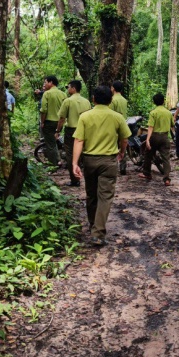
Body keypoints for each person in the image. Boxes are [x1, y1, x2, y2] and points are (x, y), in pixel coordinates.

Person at [72, 86, 130, 246]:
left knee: (91, 195)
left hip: (89, 160)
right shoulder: (117, 117)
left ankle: (93, 226)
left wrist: (74, 163)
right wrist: (121, 152)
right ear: (111, 100)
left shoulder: (85, 117)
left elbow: (79, 140)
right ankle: (98, 232)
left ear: (93, 99)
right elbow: (125, 138)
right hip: (108, 161)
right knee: (105, 197)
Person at [56, 80, 91, 187]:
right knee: (85, 153)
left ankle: (75, 179)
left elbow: (62, 118)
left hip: (71, 130)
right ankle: (89, 177)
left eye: (69, 87)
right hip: (85, 129)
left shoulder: (68, 101)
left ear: (74, 88)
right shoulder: (86, 102)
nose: (68, 89)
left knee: (71, 154)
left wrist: (57, 131)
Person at [138, 93, 172, 186]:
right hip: (165, 137)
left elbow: (150, 127)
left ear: (154, 102)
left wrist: (148, 139)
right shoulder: (168, 113)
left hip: (154, 136)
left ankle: (147, 173)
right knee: (166, 158)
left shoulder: (153, 113)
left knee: (148, 154)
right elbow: (172, 125)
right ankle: (167, 179)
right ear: (163, 101)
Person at [40, 75, 67, 168]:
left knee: (50, 144)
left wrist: (42, 122)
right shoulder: (63, 94)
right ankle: (59, 159)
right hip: (60, 122)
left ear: (51, 83)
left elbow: (43, 110)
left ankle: (54, 164)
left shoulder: (46, 94)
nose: (44, 84)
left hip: (49, 121)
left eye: (45, 82)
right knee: (55, 140)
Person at [109, 81, 129, 174]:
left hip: (114, 126)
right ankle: (123, 167)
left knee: (114, 146)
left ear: (113, 88)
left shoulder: (112, 100)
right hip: (124, 124)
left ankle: (113, 166)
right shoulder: (124, 100)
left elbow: (110, 114)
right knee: (123, 146)